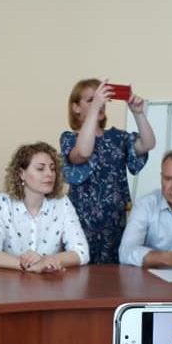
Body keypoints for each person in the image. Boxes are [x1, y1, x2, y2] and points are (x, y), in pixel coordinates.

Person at [60, 78, 156, 263]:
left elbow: (148, 144)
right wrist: (94, 109)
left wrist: (138, 114)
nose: (100, 104)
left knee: (112, 275)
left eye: (101, 100)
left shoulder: (117, 137)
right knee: (79, 273)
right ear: (76, 108)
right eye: (91, 100)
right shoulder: (69, 138)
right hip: (81, 224)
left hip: (114, 225)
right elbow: (84, 152)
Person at [0, 142, 89, 272]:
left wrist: (47, 261)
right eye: (40, 168)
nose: (49, 174)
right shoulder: (1, 203)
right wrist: (30, 265)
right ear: (21, 173)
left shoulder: (62, 203)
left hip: (50, 281)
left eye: (52, 168)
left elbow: (81, 252)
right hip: (10, 281)